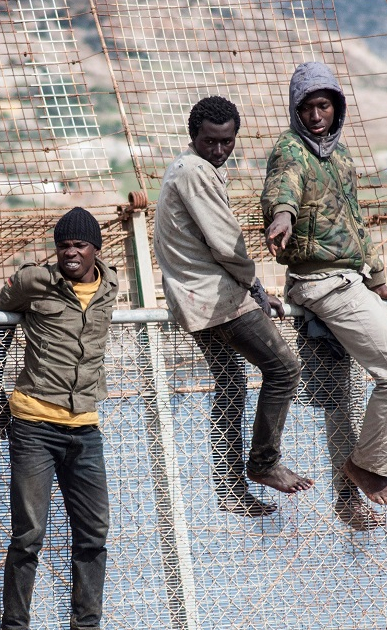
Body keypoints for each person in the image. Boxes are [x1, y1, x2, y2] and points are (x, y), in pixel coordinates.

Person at [262, 62, 387, 510]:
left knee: (362, 388)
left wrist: (379, 281)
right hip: (321, 282)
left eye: (323, 106)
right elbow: (283, 189)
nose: (315, 116)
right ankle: (366, 466)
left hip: (351, 280)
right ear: (296, 110)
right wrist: (282, 216)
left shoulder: (340, 155)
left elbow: (354, 220)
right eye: (307, 107)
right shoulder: (291, 150)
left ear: (337, 108)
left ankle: (352, 488)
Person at [153, 95, 312, 520]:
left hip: (195, 301)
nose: (220, 150)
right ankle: (263, 463)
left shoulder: (187, 169)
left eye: (227, 142)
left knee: (231, 384)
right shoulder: (195, 171)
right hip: (217, 299)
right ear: (194, 137)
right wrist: (254, 284)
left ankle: (229, 489)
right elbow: (226, 243)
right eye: (211, 141)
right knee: (284, 368)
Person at [0, 207, 117, 630]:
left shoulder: (111, 284)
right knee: (28, 538)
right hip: (34, 426)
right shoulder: (32, 281)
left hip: (85, 428)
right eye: (63, 246)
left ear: (96, 248)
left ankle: (87, 624)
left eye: (79, 245)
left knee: (94, 535)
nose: (70, 253)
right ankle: (15, 625)